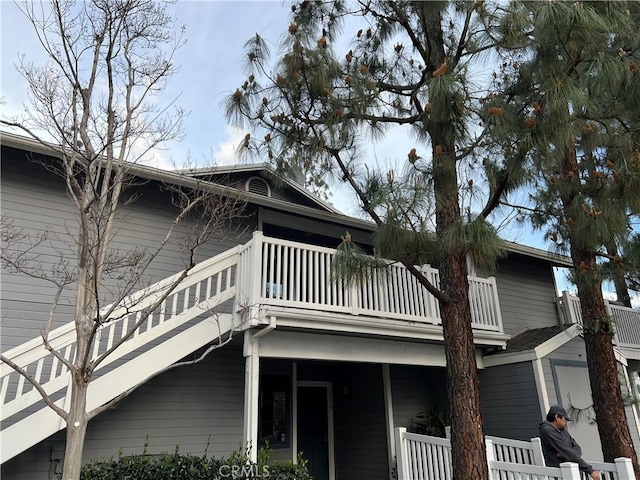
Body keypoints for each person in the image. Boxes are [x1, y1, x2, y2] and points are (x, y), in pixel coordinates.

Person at [539, 405, 601, 480]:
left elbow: (577, 448)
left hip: (573, 471)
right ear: (557, 417)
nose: (566, 422)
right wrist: (590, 471)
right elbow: (567, 452)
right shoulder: (547, 431)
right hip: (560, 474)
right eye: (565, 419)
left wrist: (564, 454)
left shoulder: (562, 431)